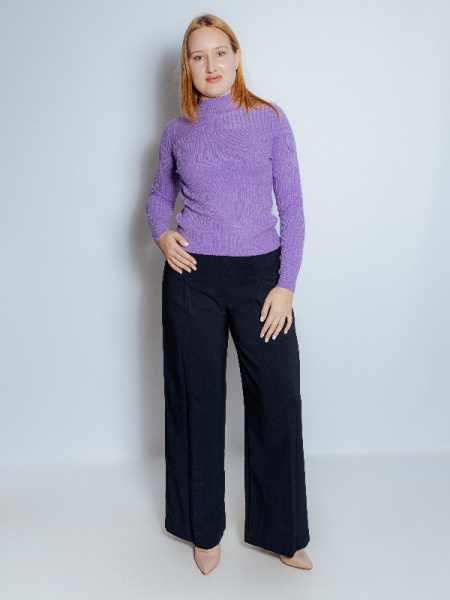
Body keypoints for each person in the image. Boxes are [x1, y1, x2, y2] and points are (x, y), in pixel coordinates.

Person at [145, 13, 313, 575]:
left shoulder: (269, 119)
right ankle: (202, 528)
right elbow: (157, 199)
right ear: (187, 68)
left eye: (220, 52)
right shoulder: (178, 132)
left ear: (237, 57)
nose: (210, 65)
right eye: (198, 56)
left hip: (261, 278)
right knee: (196, 401)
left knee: (277, 399)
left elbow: (293, 207)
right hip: (192, 279)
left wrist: (286, 286)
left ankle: (282, 532)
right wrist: (163, 234)